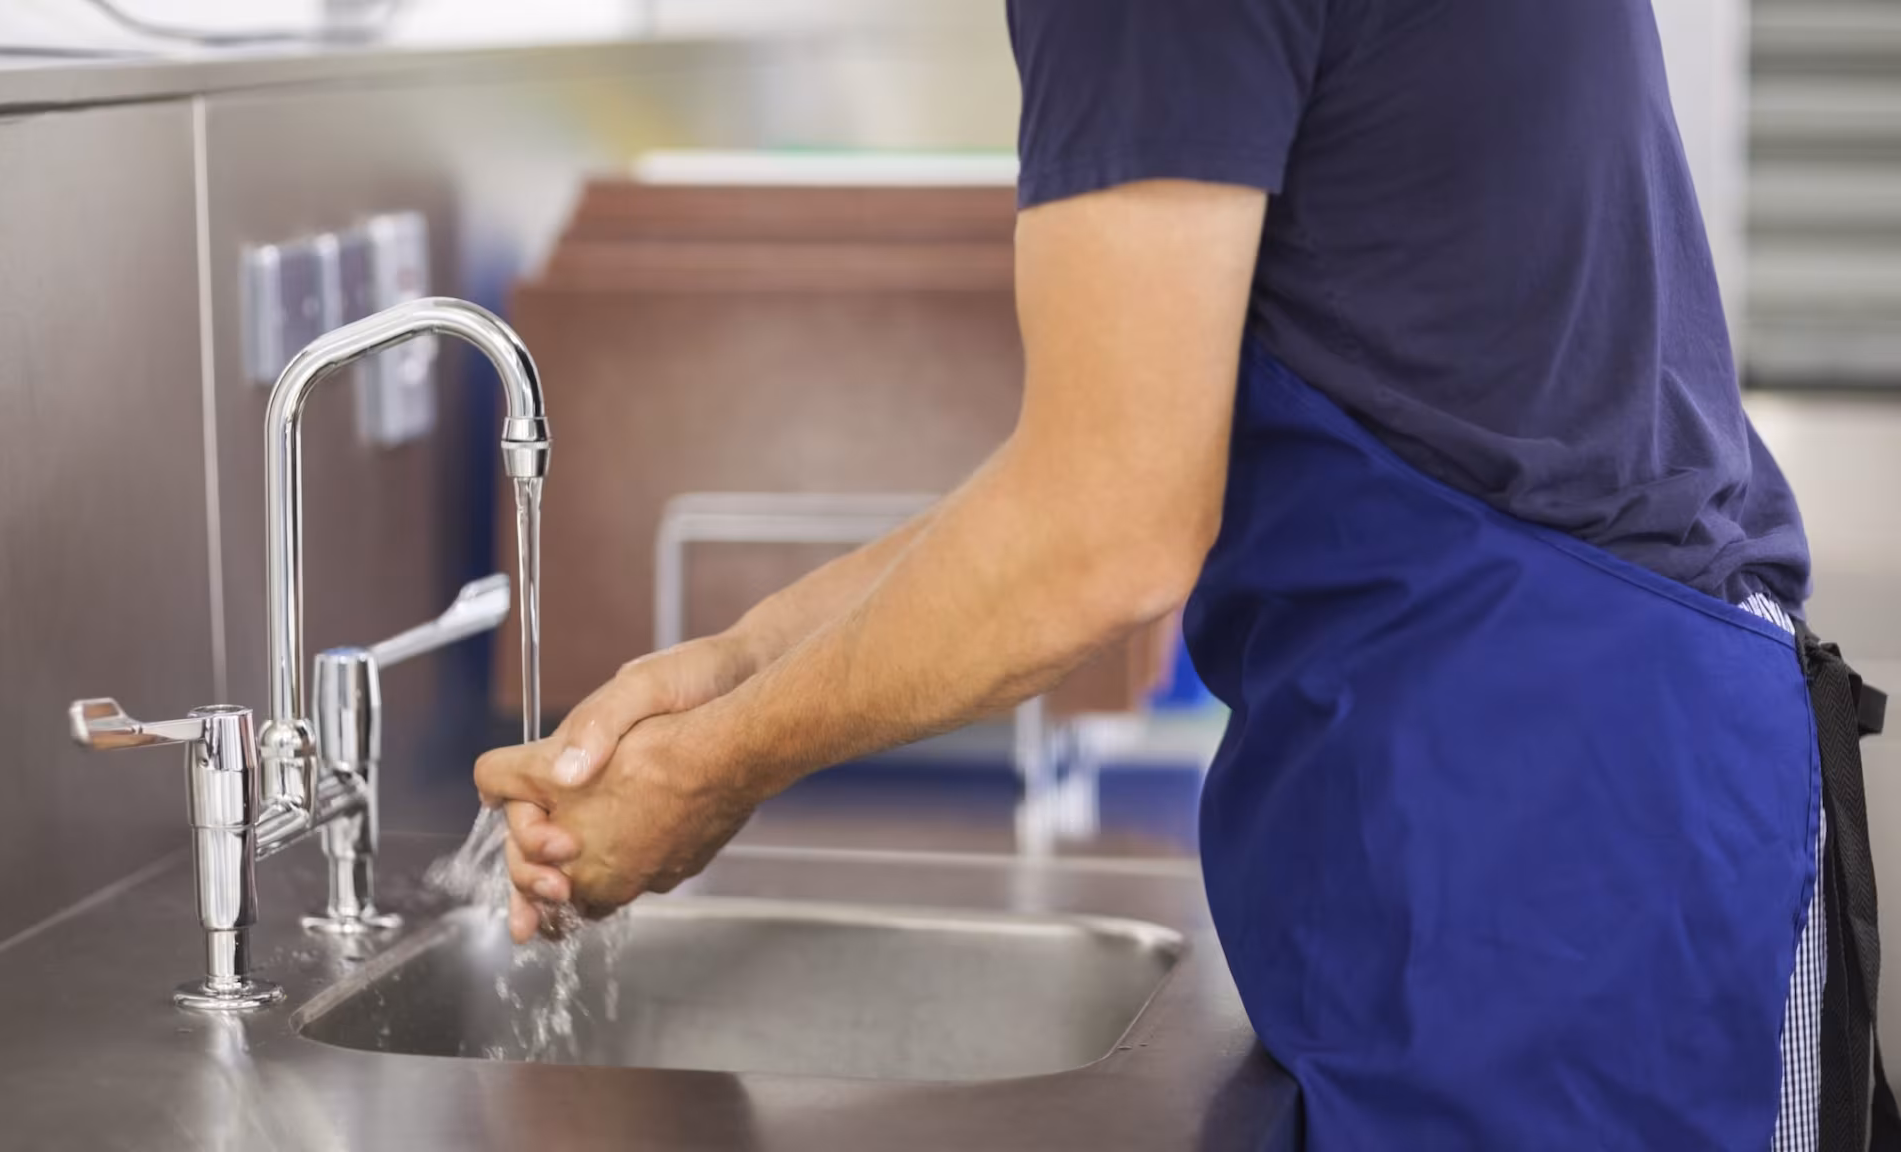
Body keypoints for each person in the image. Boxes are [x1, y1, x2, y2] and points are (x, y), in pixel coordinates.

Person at [476, 2, 1895, 1147]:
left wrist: (714, 771)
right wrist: (731, 670)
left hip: (1577, 852)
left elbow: (1106, 533)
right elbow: (1103, 465)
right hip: (1493, 808)